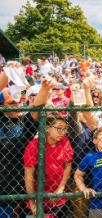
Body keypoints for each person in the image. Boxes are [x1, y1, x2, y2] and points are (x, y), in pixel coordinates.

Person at [0, 74, 56, 217]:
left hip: (14, 191)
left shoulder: (23, 124)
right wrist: (6, 73)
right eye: (11, 103)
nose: (16, 104)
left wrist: (44, 88)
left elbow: (36, 110)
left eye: (18, 101)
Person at [23, 114, 73, 217]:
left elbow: (68, 166)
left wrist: (60, 189)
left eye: (65, 129)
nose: (63, 132)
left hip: (59, 198)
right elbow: (29, 176)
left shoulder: (65, 141)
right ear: (47, 128)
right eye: (59, 128)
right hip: (38, 198)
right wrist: (32, 203)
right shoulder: (34, 145)